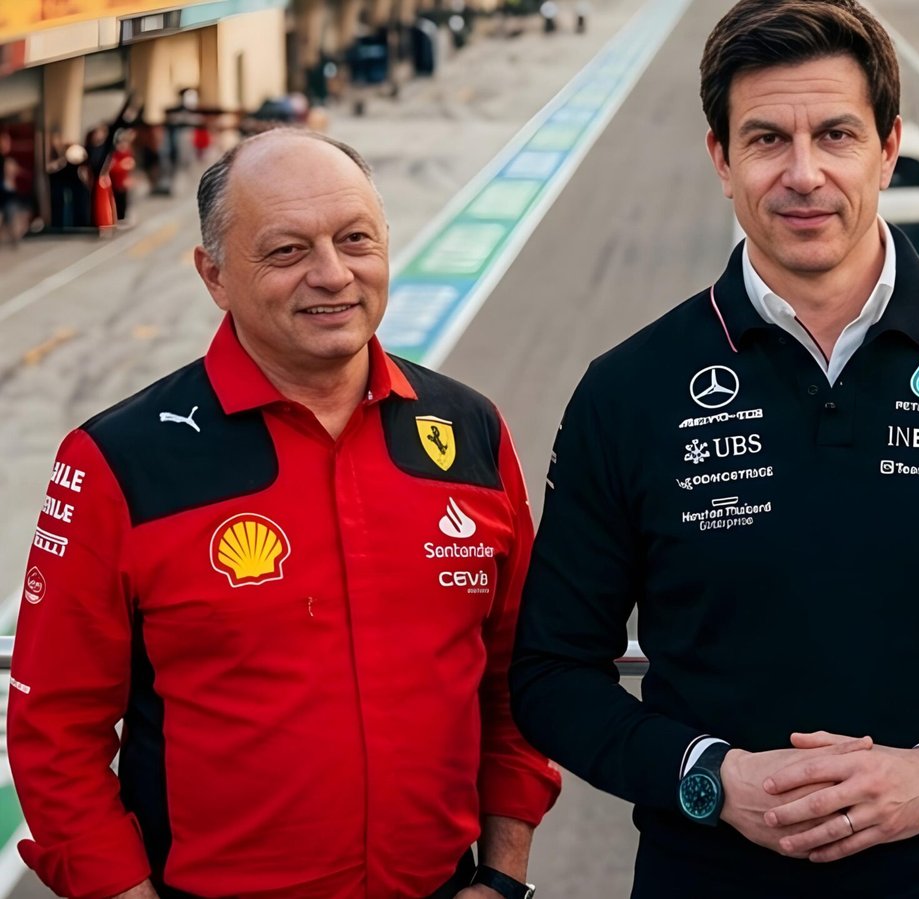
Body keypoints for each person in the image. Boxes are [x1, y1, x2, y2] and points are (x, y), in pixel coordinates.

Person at [509, 1, 919, 896]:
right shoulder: (629, 391)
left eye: (835, 134)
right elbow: (551, 672)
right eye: (766, 139)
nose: (804, 174)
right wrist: (711, 778)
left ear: (888, 146)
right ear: (721, 160)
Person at [7, 129, 560, 899]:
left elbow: (517, 681)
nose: (332, 274)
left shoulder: (469, 430)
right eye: (286, 251)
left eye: (355, 239)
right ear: (215, 276)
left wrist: (502, 876)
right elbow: (54, 731)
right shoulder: (117, 461)